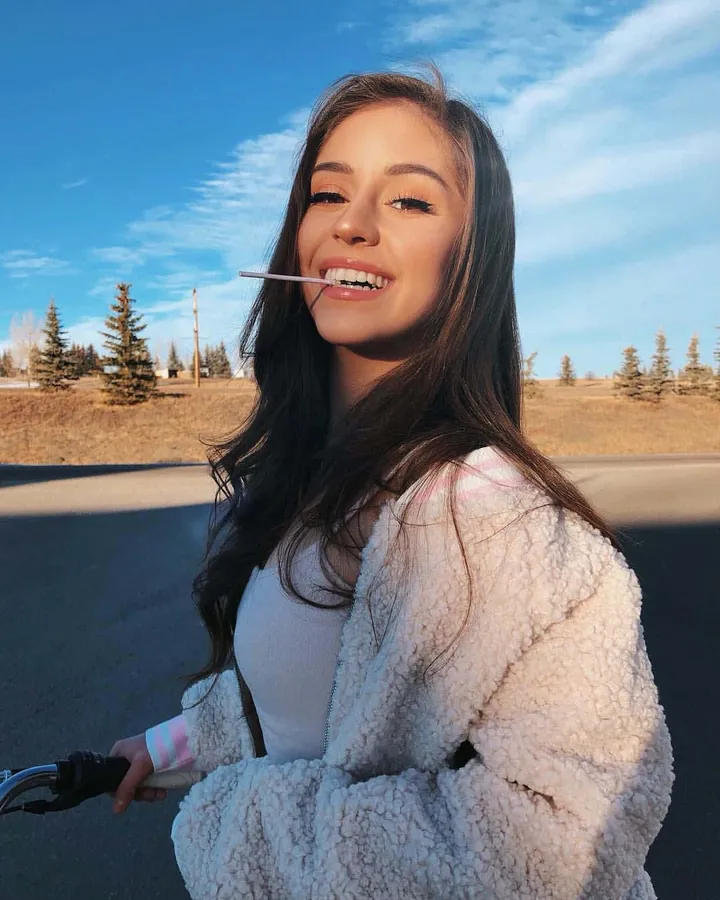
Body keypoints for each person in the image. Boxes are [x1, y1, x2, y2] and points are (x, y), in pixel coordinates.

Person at [108, 64, 674, 899]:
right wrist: (168, 749)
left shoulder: (506, 526)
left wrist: (242, 828)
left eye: (409, 200)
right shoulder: (310, 485)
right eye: (328, 194)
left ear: (473, 257)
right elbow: (305, 695)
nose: (352, 224)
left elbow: (557, 847)